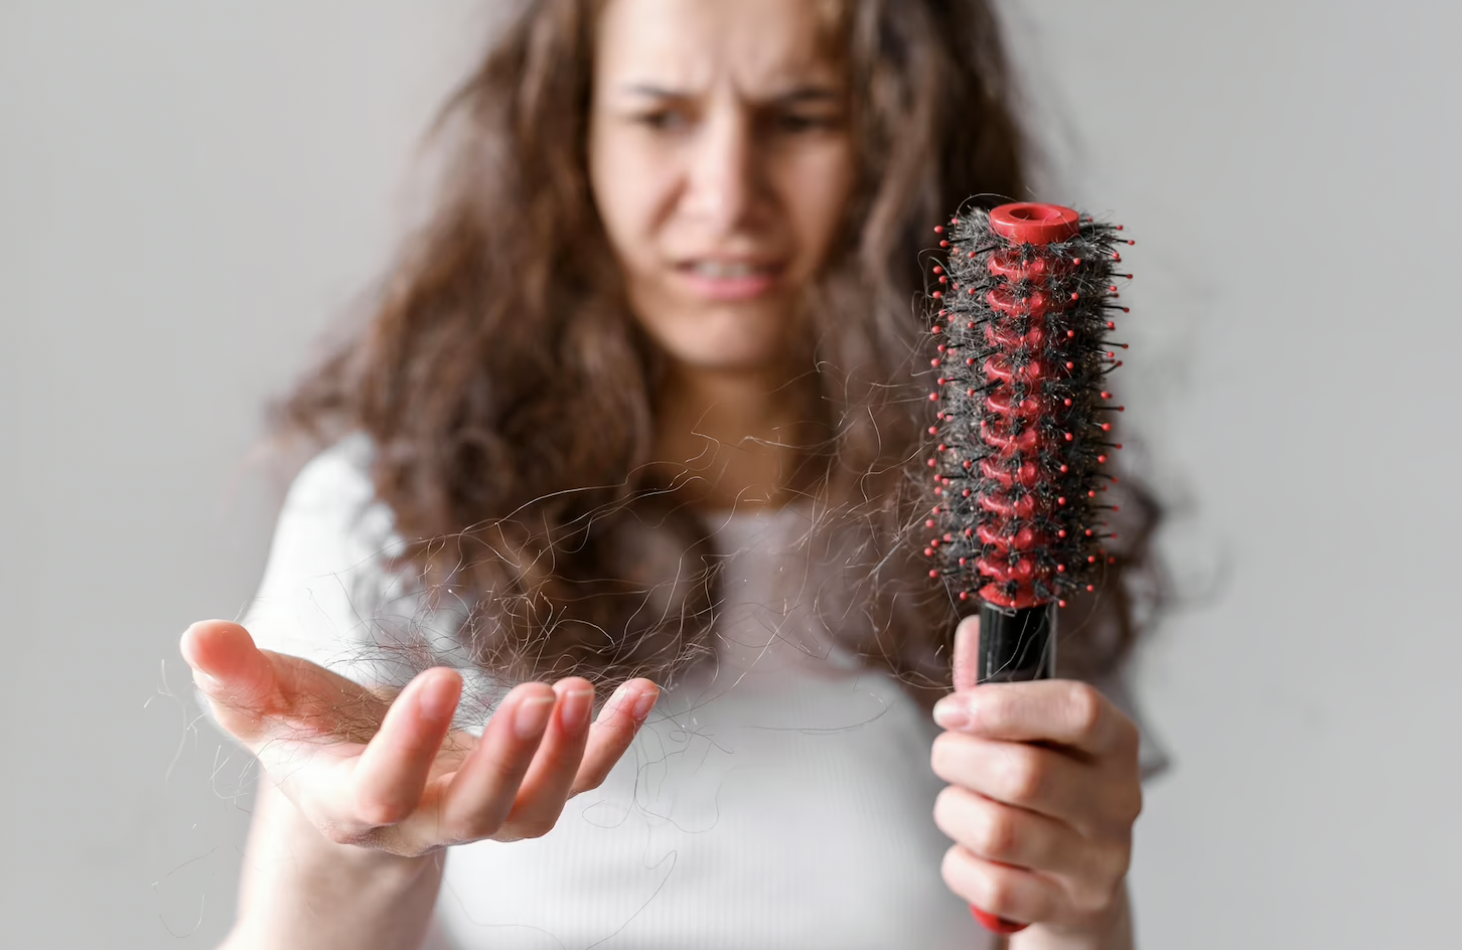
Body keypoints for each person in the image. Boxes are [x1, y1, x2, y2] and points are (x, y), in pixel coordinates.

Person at [180, 1, 1163, 947]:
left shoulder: (1011, 514)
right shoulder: (389, 516)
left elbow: (1034, 913)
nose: (726, 195)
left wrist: (1079, 910)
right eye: (660, 117)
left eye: (800, 117)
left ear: (900, 141)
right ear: (572, 137)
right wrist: (356, 845)